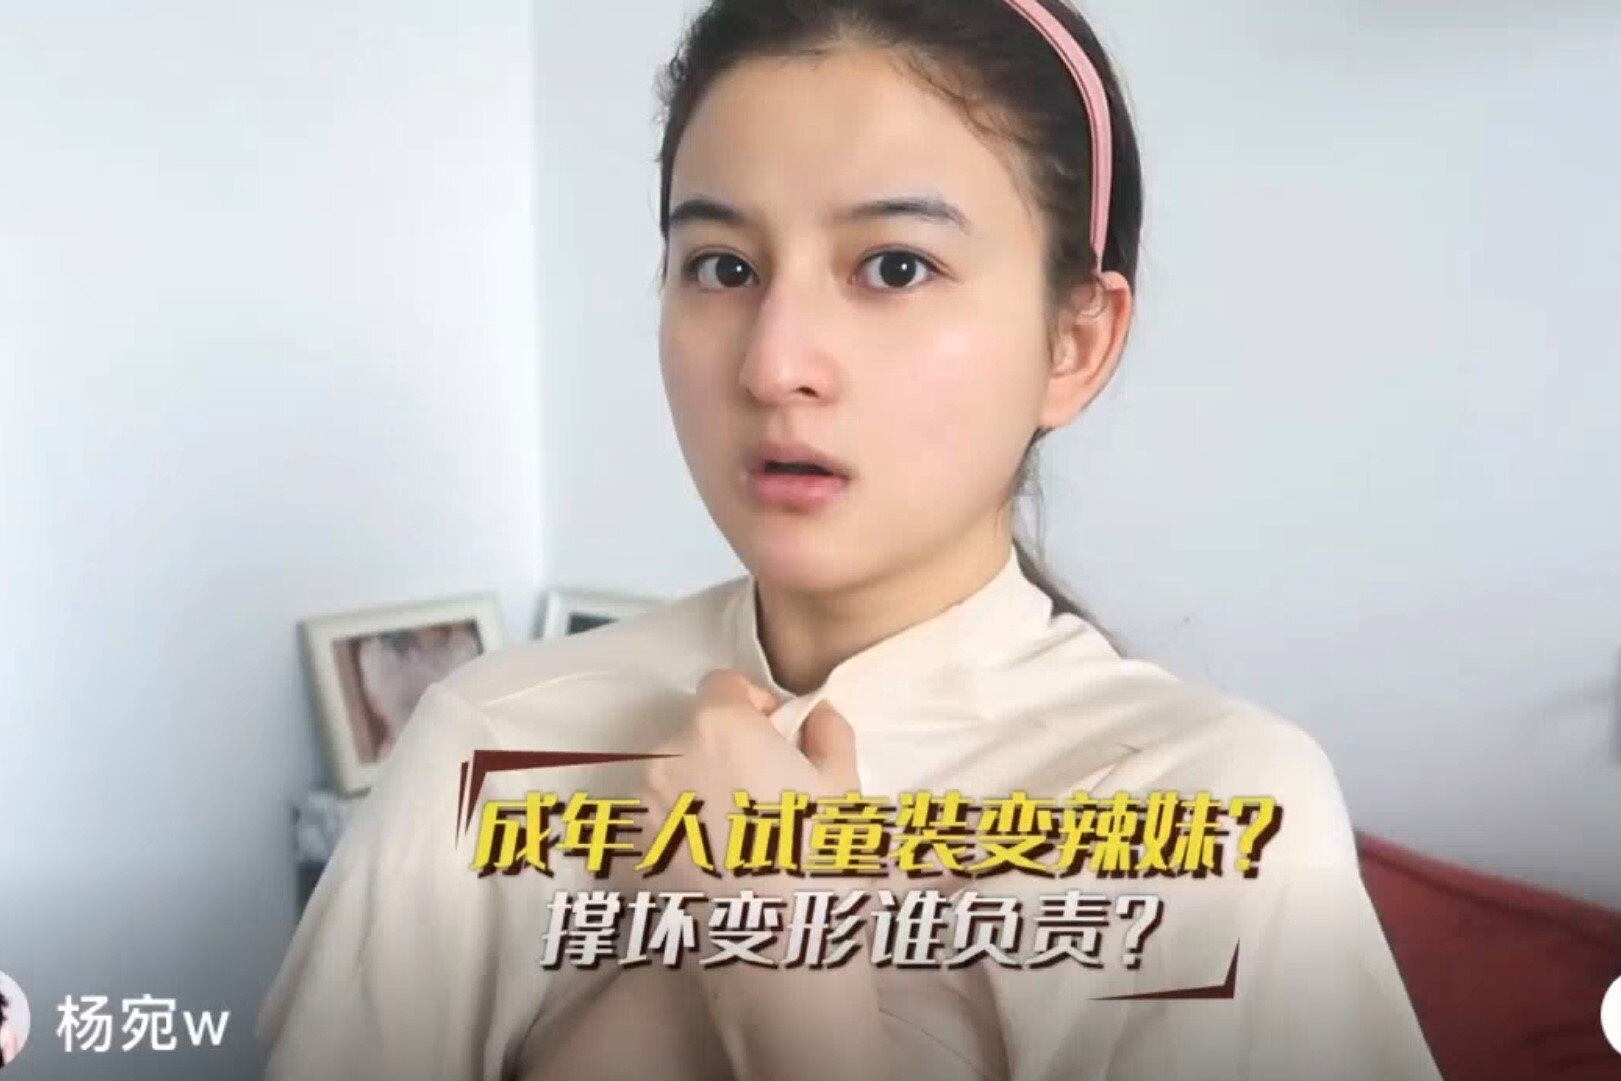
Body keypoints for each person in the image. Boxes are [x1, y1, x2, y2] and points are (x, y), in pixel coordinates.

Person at [256, 1, 1442, 1078]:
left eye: (894, 267)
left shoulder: (1218, 814)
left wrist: (796, 995)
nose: (775, 363)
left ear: (1074, 342)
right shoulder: (492, 747)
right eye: (723, 266)